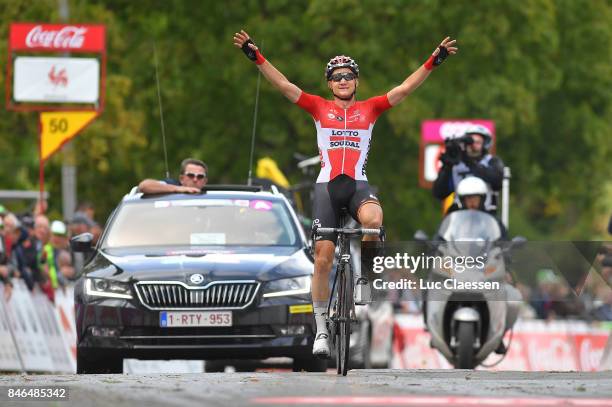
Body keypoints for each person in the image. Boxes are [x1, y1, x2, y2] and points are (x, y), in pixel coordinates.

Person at [234, 29, 457, 357]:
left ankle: (364, 277)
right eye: (336, 77)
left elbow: (405, 89)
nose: (342, 81)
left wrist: (433, 61)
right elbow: (284, 86)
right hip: (326, 187)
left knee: (374, 220)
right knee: (323, 259)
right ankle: (322, 330)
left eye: (348, 76)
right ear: (329, 83)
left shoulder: (371, 109)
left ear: (356, 82)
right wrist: (257, 57)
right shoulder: (318, 107)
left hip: (356, 184)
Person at [433, 124, 504, 213]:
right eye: (470, 142)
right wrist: (446, 167)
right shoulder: (456, 165)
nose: (473, 145)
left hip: (485, 216)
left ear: (485, 144)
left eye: (478, 142)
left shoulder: (491, 162)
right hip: (459, 216)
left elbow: (496, 180)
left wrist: (469, 162)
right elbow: (439, 193)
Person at [138, 158, 208, 194]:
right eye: (190, 175)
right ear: (181, 178)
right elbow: (144, 186)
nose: (195, 179)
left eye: (200, 176)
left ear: (205, 181)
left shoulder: (213, 197)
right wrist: (178, 189)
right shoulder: (172, 185)